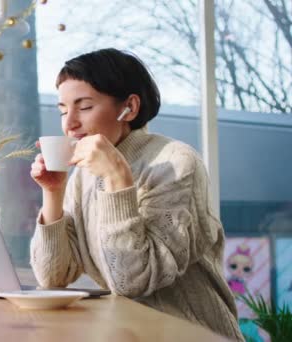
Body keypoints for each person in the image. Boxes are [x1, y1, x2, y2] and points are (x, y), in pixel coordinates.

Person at [29, 48, 244, 341]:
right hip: (128, 333)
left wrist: (117, 177)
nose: (69, 124)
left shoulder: (176, 163)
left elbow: (132, 280)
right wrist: (53, 194)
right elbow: (52, 278)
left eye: (85, 107)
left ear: (128, 108)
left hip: (193, 334)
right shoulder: (84, 176)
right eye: (63, 110)